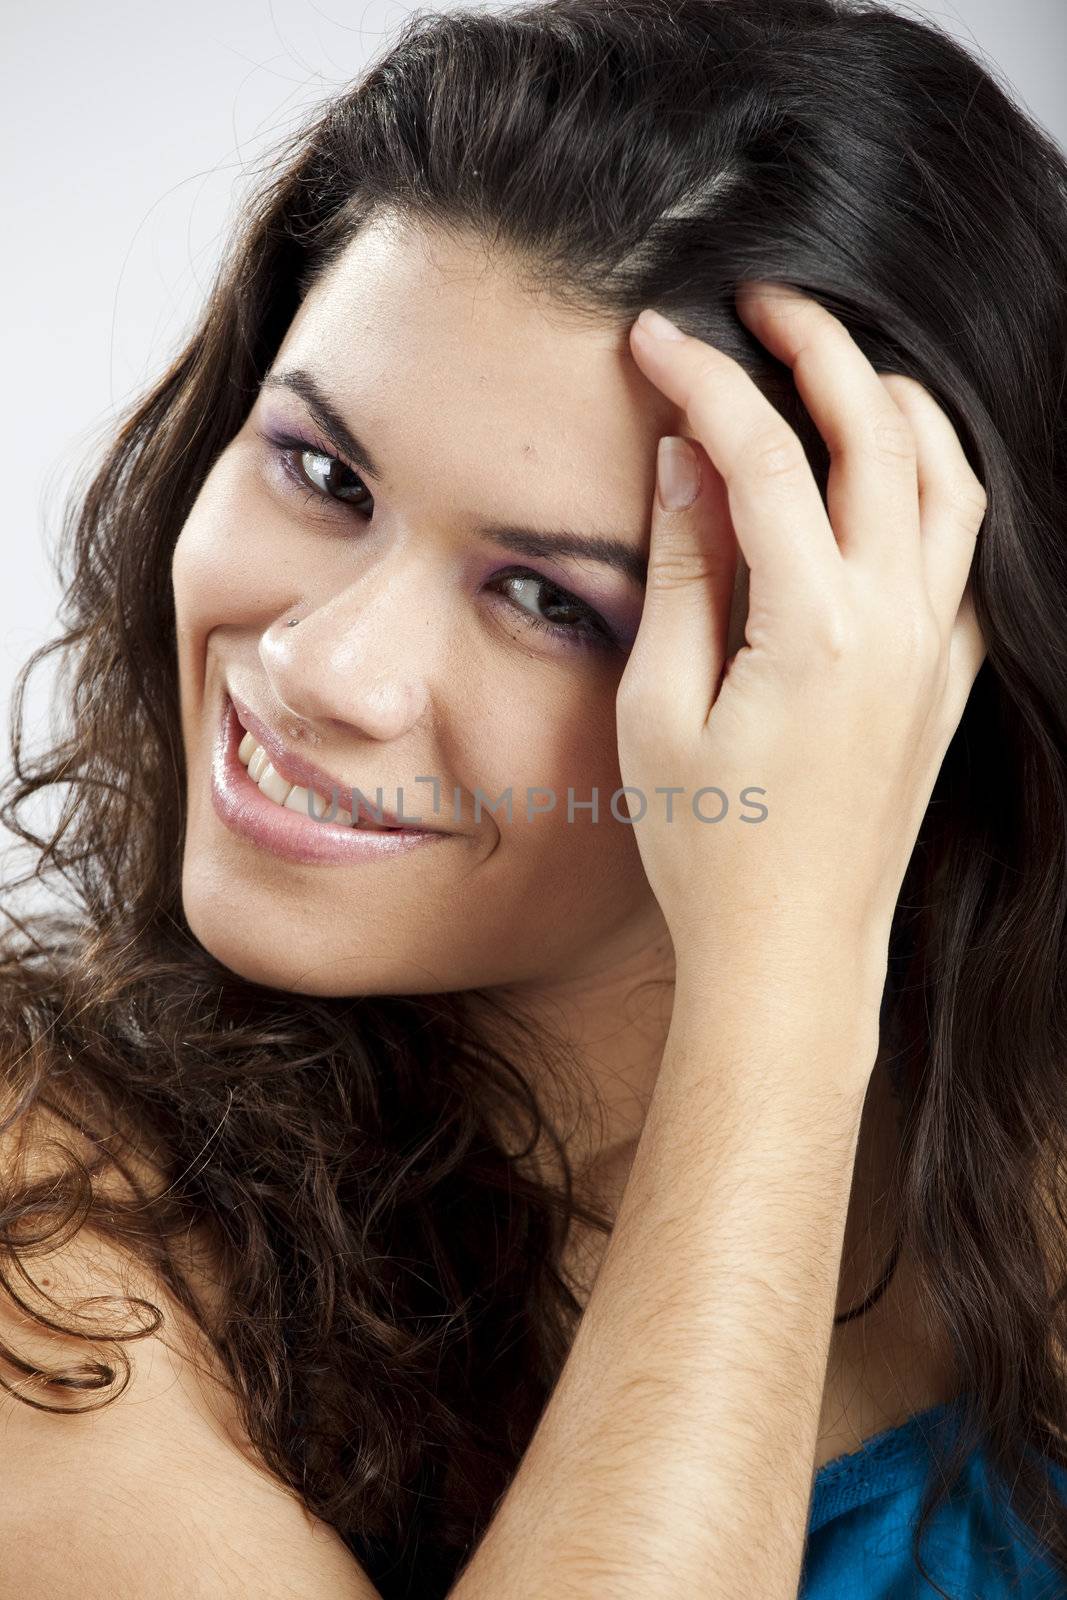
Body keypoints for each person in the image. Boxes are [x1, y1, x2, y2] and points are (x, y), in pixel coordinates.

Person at [2, 0, 1066, 1594]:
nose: (321, 668)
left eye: (555, 602)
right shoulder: (53, 1229)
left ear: (883, 681)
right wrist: (781, 992)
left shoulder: (1026, 1155)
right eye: (323, 475)